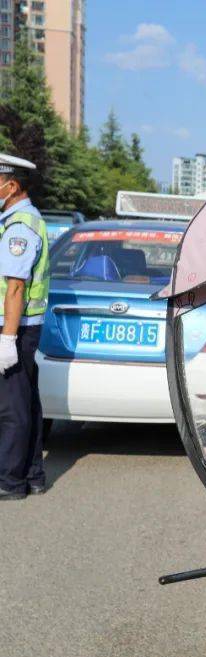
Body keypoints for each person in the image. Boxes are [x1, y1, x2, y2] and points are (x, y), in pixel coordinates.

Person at [0, 154, 49, 501]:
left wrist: (7, 339)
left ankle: (9, 480)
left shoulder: (19, 227)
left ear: (11, 185)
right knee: (26, 404)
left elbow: (15, 287)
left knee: (11, 409)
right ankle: (32, 475)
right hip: (23, 328)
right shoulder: (21, 220)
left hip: (14, 328)